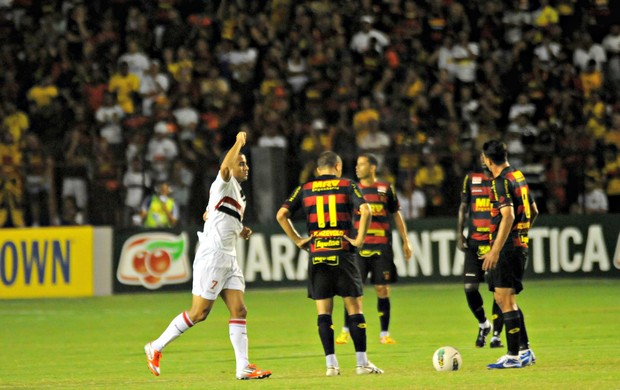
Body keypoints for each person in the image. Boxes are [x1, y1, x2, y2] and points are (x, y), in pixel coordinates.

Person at [144, 132, 271, 380]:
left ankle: (243, 367)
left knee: (240, 310)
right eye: (242, 163)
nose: (246, 167)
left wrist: (241, 229)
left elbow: (222, 216)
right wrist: (238, 143)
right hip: (212, 256)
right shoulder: (223, 182)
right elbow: (224, 167)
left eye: (246, 163)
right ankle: (156, 346)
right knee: (199, 313)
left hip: (228, 258)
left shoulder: (238, 194)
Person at [276, 151, 384, 377]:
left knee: (324, 312)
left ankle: (331, 365)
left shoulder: (305, 188)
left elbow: (281, 214)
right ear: (338, 166)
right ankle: (361, 363)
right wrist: (360, 240)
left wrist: (298, 240)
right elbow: (366, 210)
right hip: (343, 252)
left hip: (317, 253)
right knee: (354, 308)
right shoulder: (347, 185)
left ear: (318, 170)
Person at [336, 153, 412, 345]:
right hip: (358, 247)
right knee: (354, 291)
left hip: (381, 246)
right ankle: (345, 330)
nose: (357, 167)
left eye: (361, 164)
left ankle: (384, 334)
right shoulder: (353, 189)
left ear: (372, 167)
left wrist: (406, 241)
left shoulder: (385, 189)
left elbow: (396, 215)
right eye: (357, 164)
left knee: (382, 288)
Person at [480, 140, 539, 369]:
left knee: (505, 300)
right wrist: (523, 235)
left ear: (488, 159)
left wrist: (496, 249)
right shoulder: (518, 176)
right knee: (503, 298)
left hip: (506, 247)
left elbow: (508, 216)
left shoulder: (500, 181)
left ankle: (513, 356)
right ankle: (525, 350)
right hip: (517, 244)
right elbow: (534, 210)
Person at [456, 156, 504, 349]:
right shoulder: (471, 180)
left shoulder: (503, 181)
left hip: (495, 245)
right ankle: (484, 324)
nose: (485, 161)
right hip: (475, 244)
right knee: (470, 288)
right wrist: (459, 234)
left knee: (499, 292)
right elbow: (463, 208)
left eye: (489, 157)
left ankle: (497, 336)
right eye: (482, 157)